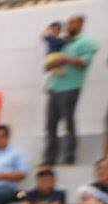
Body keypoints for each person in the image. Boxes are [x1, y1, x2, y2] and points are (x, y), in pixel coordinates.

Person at [43, 14, 100, 166]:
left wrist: (64, 59)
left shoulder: (87, 41)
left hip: (71, 87)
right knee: (50, 125)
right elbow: (50, 61)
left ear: (81, 24)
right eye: (68, 23)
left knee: (68, 123)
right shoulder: (64, 42)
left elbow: (84, 62)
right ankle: (49, 159)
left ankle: (69, 158)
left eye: (72, 23)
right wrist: (51, 63)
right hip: (54, 87)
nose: (68, 26)